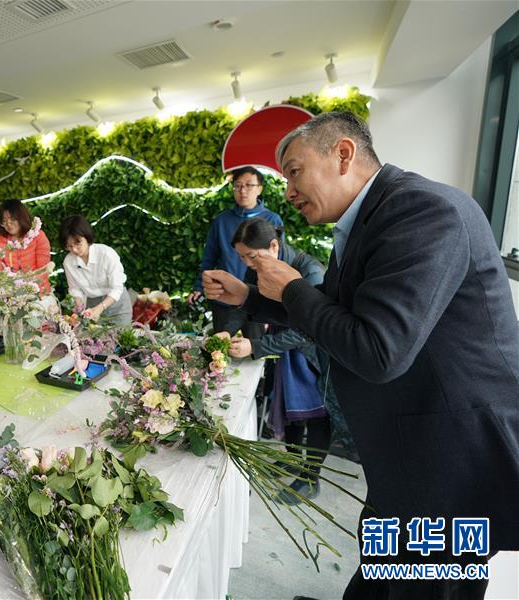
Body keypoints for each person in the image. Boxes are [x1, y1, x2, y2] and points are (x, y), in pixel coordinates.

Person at [203, 111, 519, 599]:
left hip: (451, 460)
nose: (288, 191)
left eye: (294, 171)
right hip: (404, 449)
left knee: (428, 587)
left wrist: (291, 289)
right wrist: (249, 297)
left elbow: (378, 350)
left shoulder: (423, 210)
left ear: (343, 154)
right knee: (382, 569)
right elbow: (334, 312)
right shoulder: (370, 219)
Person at [223, 217, 332, 503]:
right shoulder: (258, 266)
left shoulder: (310, 272)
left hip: (311, 354)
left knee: (316, 415)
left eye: (251, 257)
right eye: (242, 257)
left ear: (274, 245)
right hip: (285, 351)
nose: (247, 264)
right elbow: (245, 302)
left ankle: (310, 478)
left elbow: (308, 330)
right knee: (290, 409)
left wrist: (257, 346)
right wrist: (226, 332)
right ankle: (294, 460)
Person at [188, 166, 283, 338]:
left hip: (257, 297)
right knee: (219, 345)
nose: (242, 190)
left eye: (249, 185)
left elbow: (279, 261)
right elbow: (209, 258)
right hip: (224, 297)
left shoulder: (272, 220)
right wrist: (199, 287)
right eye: (238, 185)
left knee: (256, 346)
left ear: (260, 189)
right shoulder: (222, 221)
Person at [59, 215, 132, 326]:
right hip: (91, 305)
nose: (74, 250)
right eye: (69, 246)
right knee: (94, 336)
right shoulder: (68, 262)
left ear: (87, 238)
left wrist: (100, 308)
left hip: (117, 305)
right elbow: (75, 289)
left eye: (78, 244)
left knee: (122, 335)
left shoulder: (106, 254)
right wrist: (79, 308)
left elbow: (117, 288)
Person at [0, 199, 53, 294]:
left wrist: (28, 285)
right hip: (9, 293)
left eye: (12, 219)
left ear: (21, 217)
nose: (8, 224)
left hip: (38, 291)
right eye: (4, 221)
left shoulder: (38, 236)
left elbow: (43, 270)